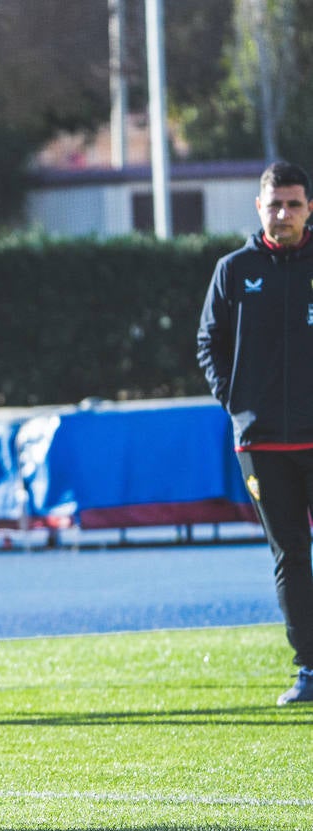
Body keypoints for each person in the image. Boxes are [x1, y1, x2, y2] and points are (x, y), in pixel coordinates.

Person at [198, 159, 313, 706]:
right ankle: (310, 669)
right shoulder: (235, 269)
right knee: (290, 555)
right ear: (259, 208)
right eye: (275, 204)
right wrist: (238, 404)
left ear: (309, 207)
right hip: (262, 444)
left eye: (293, 203)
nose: (283, 214)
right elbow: (208, 345)